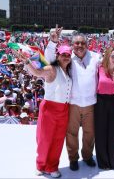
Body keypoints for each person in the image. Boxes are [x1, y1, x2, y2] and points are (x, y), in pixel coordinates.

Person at [45, 25, 100, 171]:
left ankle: (87, 156)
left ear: (87, 45)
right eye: (77, 43)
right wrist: (52, 42)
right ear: (72, 45)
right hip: (73, 103)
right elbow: (50, 60)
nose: (80, 46)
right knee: (71, 133)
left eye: (83, 43)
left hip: (90, 104)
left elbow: (110, 66)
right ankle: (73, 158)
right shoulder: (67, 57)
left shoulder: (95, 57)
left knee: (90, 133)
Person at [16, 44, 72, 178]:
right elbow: (37, 72)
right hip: (50, 108)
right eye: (63, 54)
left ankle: (52, 166)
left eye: (68, 55)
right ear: (58, 56)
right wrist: (27, 62)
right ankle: (41, 164)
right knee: (44, 139)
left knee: (58, 140)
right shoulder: (52, 68)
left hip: (64, 109)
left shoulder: (68, 72)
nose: (66, 57)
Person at [94, 47, 114, 170]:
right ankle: (103, 162)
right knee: (101, 132)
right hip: (100, 102)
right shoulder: (99, 68)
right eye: (113, 56)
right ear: (107, 56)